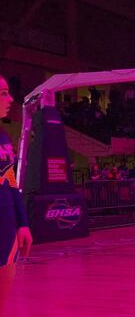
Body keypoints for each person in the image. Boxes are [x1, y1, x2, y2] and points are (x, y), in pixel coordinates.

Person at [0, 74, 33, 314]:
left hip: (6, 228)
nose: (10, 99)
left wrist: (23, 223)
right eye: (3, 94)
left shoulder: (3, 138)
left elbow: (11, 183)